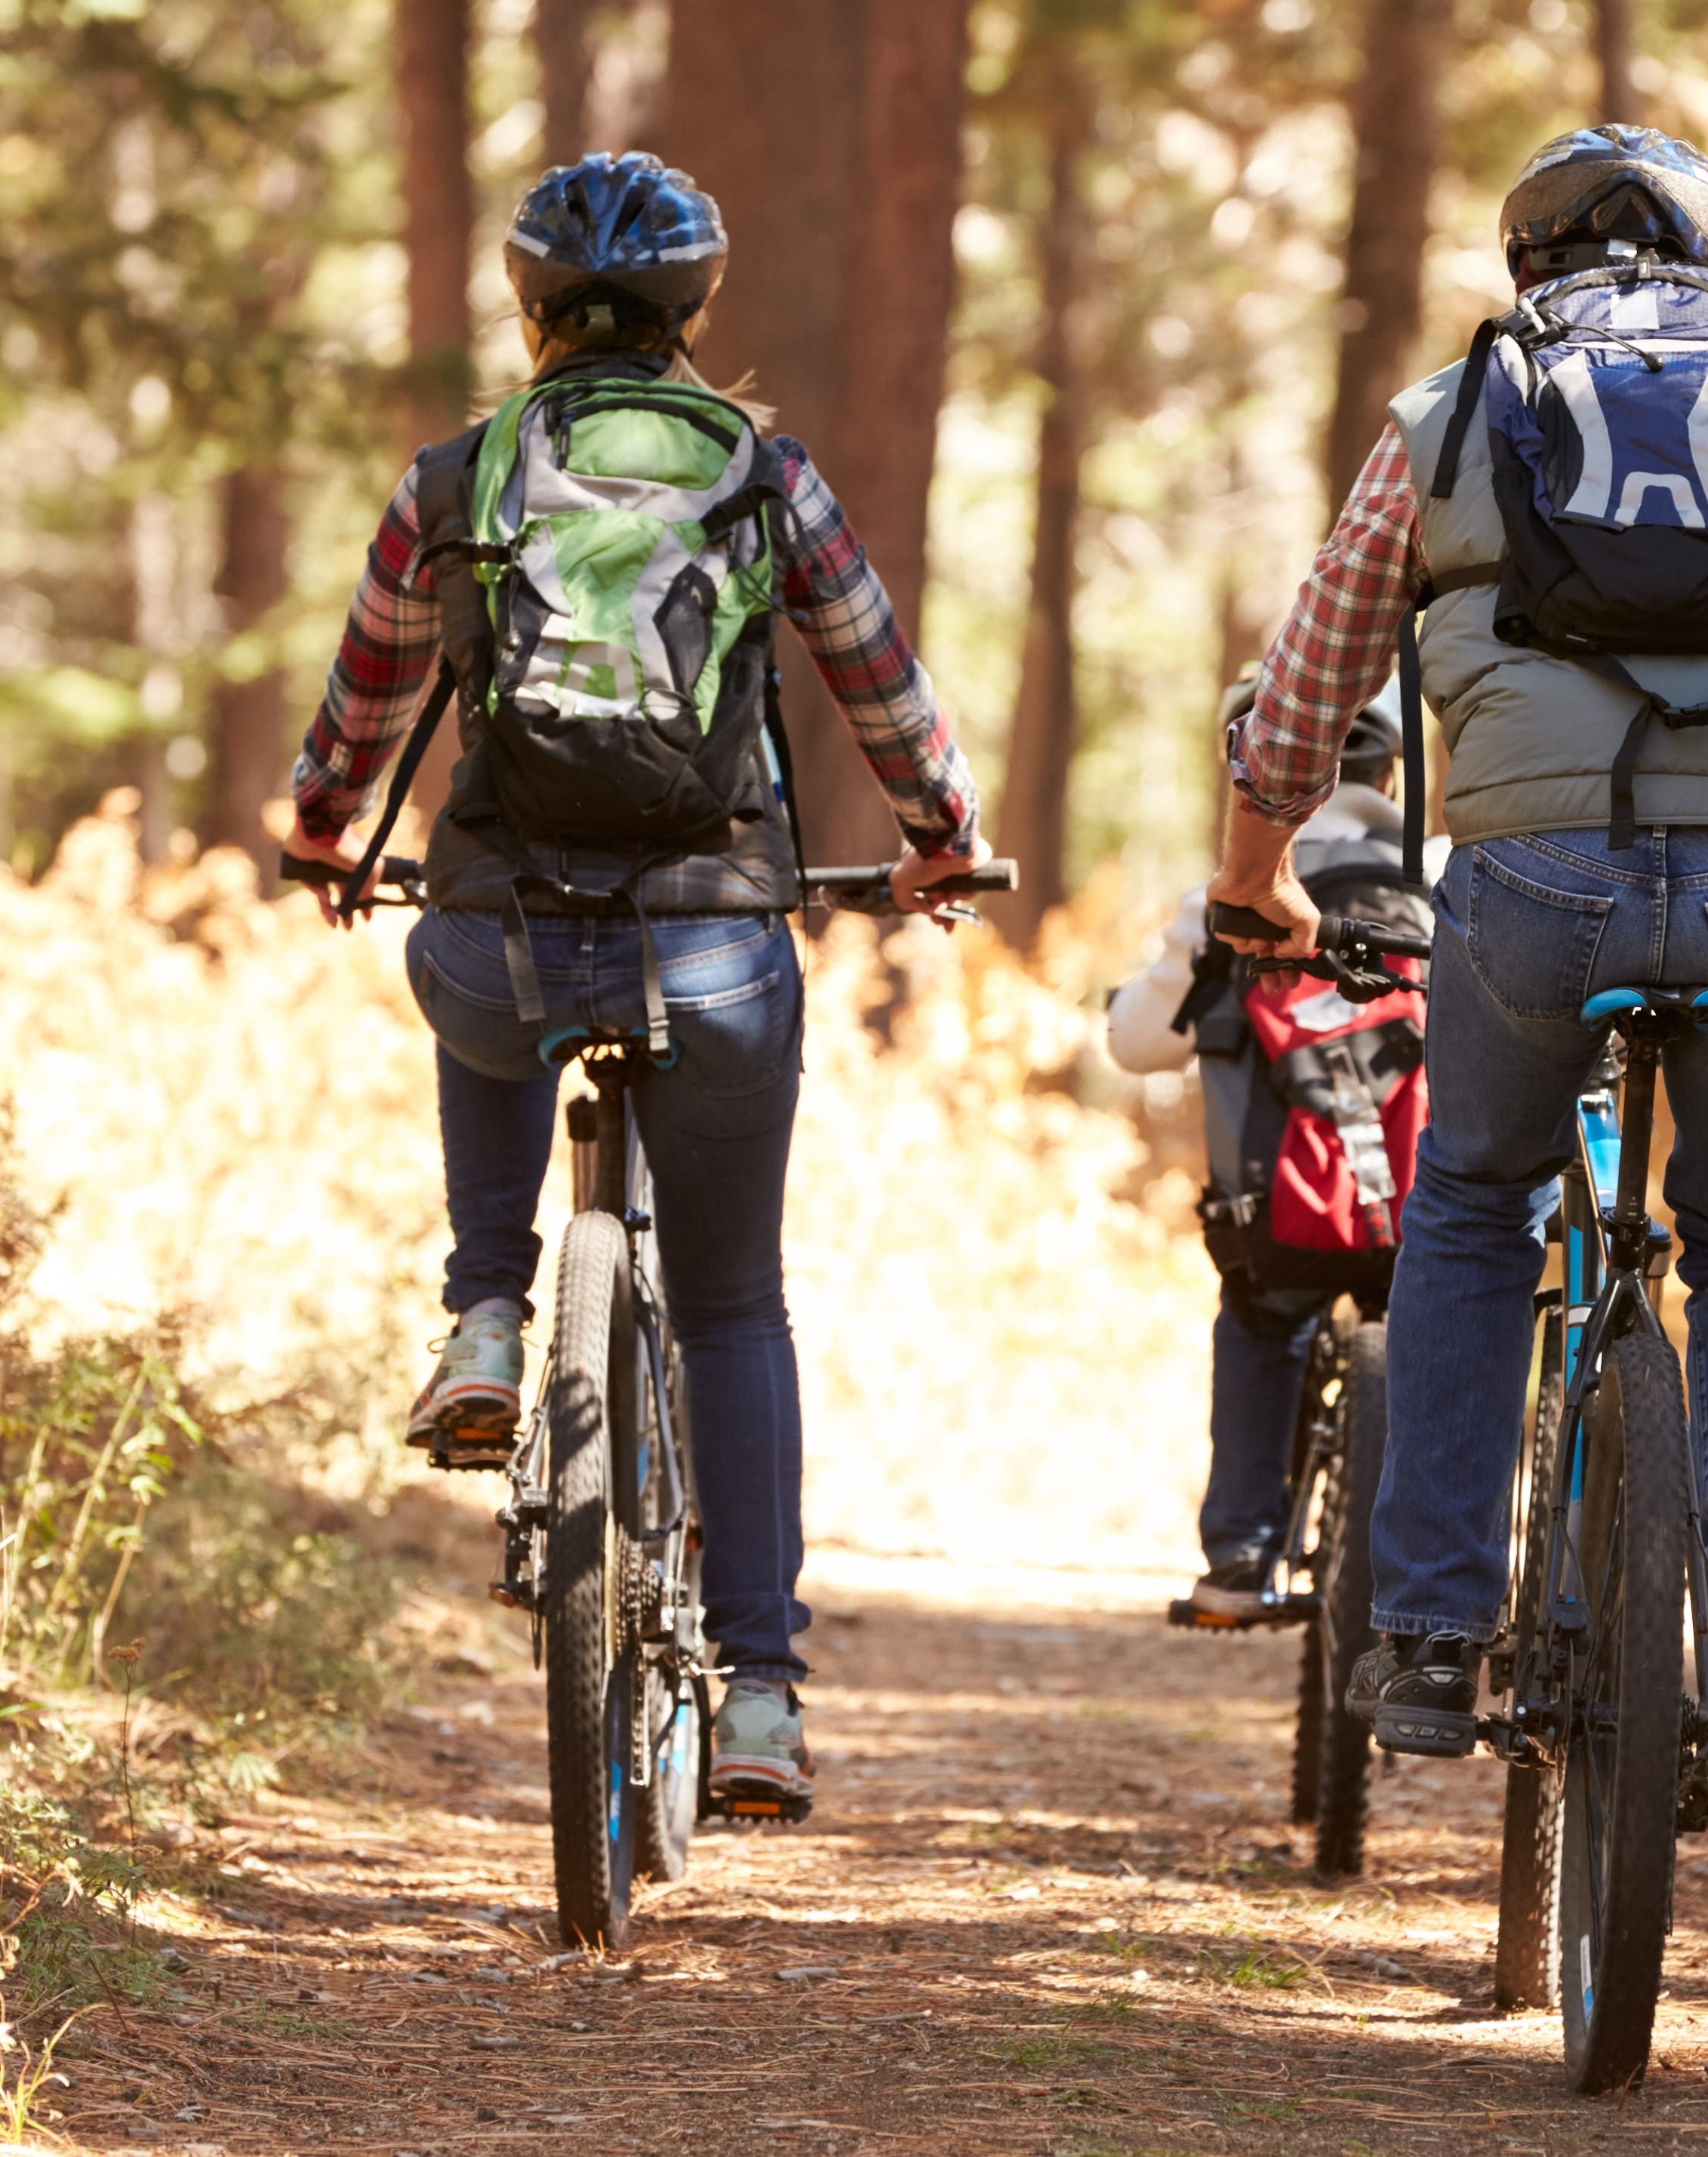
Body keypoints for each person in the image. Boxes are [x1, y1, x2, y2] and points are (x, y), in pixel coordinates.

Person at [1208, 125, 1708, 1800]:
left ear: (1526, 266)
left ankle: (1425, 1633)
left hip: (1531, 884)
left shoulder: (1453, 415)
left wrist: (1253, 882)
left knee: (1474, 1204)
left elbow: (1303, 692)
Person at [279, 152, 986, 1813]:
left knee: (483, 975)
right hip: (714, 930)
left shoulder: (455, 479)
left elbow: (364, 705)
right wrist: (941, 835)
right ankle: (755, 1696)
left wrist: (324, 835)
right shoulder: (766, 476)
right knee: (733, 1304)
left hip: (497, 924)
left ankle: (486, 1308)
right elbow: (879, 682)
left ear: (527, 309)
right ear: (693, 314)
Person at [1104, 672, 1435, 1621]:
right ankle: (1440, 1579)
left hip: (1277, 1216)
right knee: (1450, 1329)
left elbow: (1135, 1043)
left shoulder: (1225, 898)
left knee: (1260, 1316)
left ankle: (1241, 1559)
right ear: (1387, 765)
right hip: (1428, 1211)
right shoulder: (1442, 872)